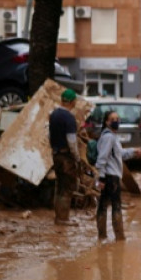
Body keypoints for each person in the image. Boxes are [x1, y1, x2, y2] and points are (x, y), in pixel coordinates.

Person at [94, 110, 139, 240]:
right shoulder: (108, 137)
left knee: (103, 205)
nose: (116, 121)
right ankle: (119, 237)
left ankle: (102, 236)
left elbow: (120, 154)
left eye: (117, 118)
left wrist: (133, 152)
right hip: (110, 177)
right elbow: (102, 159)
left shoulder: (111, 136)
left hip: (110, 176)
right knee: (115, 206)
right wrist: (101, 178)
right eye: (112, 119)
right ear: (107, 122)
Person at [48, 88, 80, 226]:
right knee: (67, 188)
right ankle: (63, 219)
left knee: (59, 186)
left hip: (55, 155)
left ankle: (58, 217)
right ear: (72, 102)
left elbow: (49, 136)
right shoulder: (69, 118)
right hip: (66, 156)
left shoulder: (53, 114)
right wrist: (77, 157)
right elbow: (72, 141)